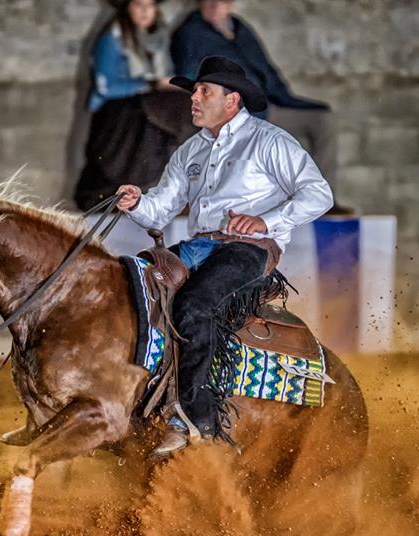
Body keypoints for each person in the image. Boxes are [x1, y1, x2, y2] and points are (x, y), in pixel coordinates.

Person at [116, 56, 333, 456]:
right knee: (129, 285)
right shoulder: (191, 151)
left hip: (249, 249)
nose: (193, 99)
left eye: (203, 92)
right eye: (194, 91)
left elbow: (318, 194)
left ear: (232, 100)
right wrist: (135, 203)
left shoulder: (270, 142)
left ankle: (196, 419)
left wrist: (265, 222)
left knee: (197, 304)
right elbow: (161, 208)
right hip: (200, 246)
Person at [170, 0, 351, 213]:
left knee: (323, 119)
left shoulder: (239, 28)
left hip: (267, 105)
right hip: (234, 111)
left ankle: (320, 200)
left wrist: (285, 97)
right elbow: (190, 74)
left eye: (223, 0)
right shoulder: (191, 33)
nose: (216, 5)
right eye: (210, 0)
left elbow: (267, 69)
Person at [74, 0, 196, 210]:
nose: (145, 12)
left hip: (146, 105)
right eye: (139, 5)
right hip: (118, 111)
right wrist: (149, 84)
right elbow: (106, 86)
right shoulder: (111, 40)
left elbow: (165, 74)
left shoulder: (158, 39)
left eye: (149, 6)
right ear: (127, 8)